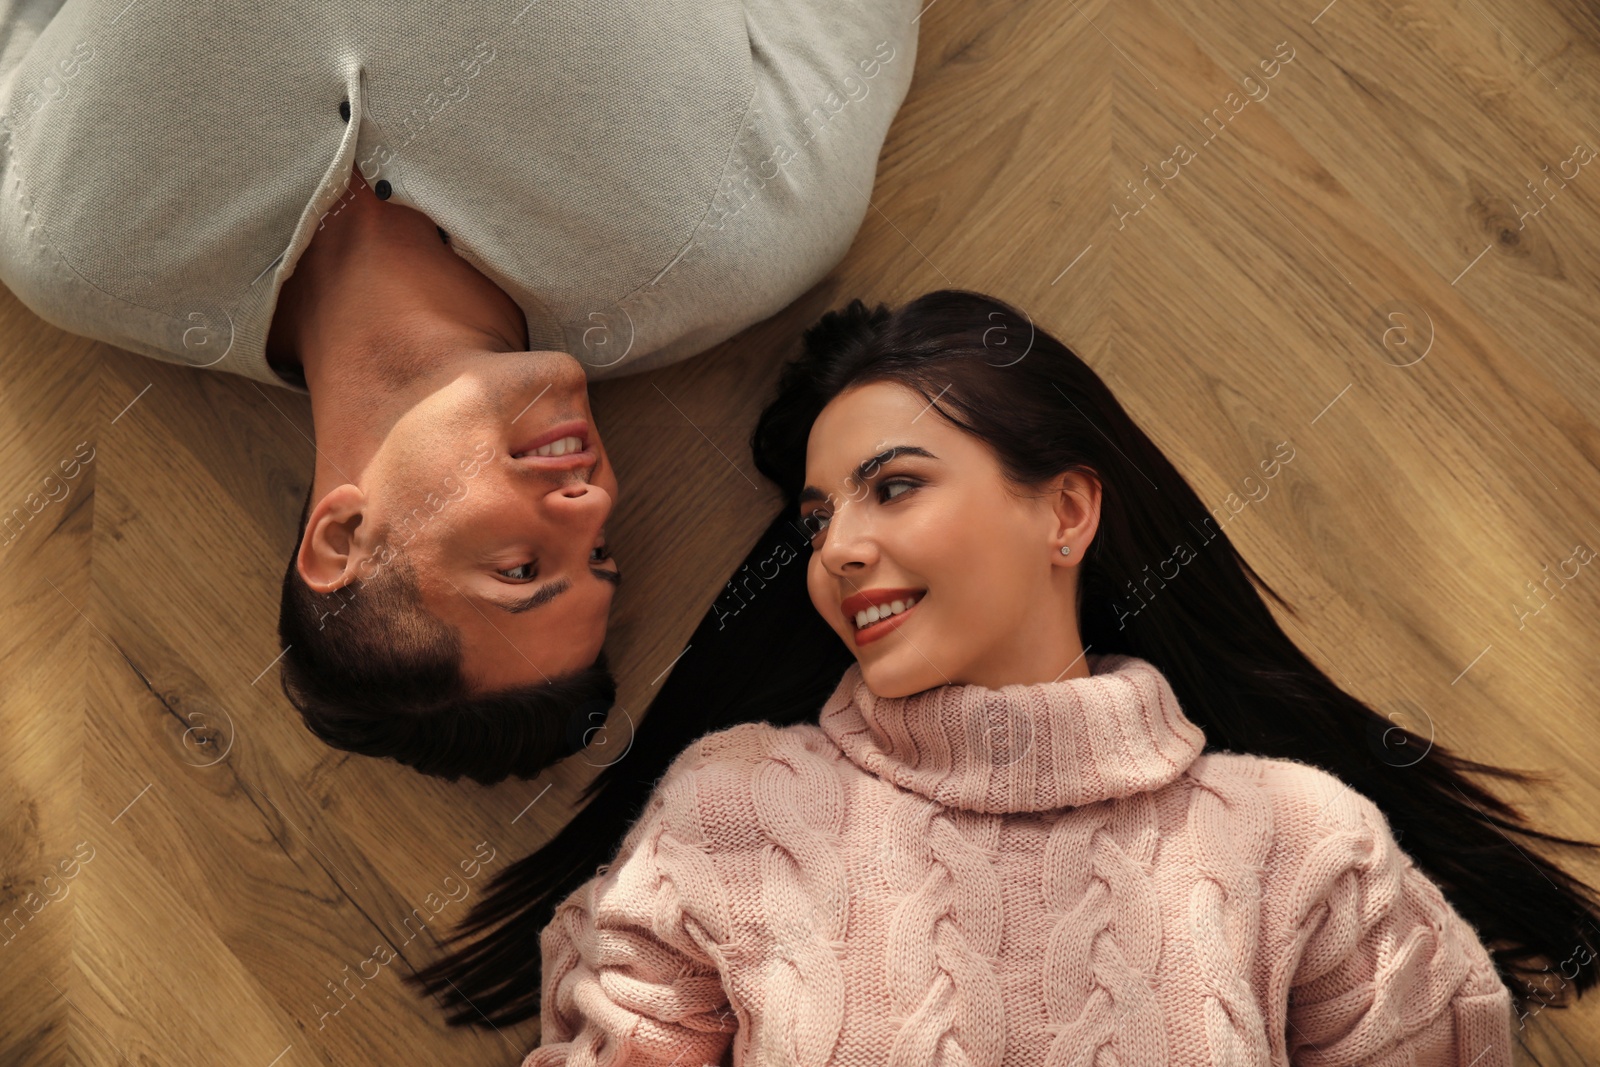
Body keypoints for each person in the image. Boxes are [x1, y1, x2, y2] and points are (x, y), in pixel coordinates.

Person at [411, 290, 1600, 1063]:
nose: (836, 548)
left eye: (893, 485)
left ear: (1066, 510)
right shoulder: (733, 808)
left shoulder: (1300, 842)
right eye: (818, 517)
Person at [0, 0, 921, 782]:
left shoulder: (72, 241)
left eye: (520, 570)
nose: (592, 501)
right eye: (599, 553)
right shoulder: (732, 235)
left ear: (341, 537)